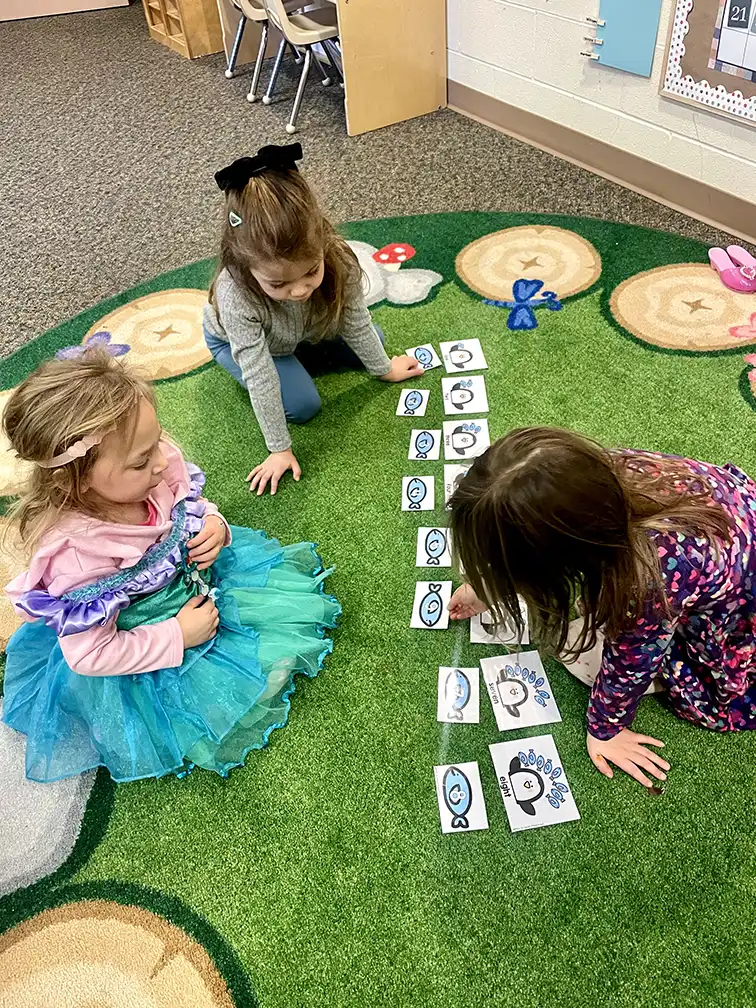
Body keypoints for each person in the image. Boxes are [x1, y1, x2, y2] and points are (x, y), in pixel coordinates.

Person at [1, 349, 340, 783]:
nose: (162, 462)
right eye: (141, 460)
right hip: (146, 641)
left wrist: (216, 526)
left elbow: (191, 507)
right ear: (77, 478)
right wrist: (177, 635)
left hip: (200, 586)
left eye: (157, 441)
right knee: (209, 717)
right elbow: (90, 655)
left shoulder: (156, 469)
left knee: (282, 636)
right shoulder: (77, 556)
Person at [447, 426, 756, 789]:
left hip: (736, 608)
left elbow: (632, 663)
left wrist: (606, 729)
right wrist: (490, 586)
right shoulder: (592, 477)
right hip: (731, 521)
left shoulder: (643, 583)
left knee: (580, 652)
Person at [203, 142, 424, 495]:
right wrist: (279, 448)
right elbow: (259, 373)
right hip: (241, 344)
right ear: (247, 267)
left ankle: (300, 357)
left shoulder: (339, 257)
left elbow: (355, 320)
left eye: (311, 272)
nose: (299, 290)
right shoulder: (235, 293)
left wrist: (384, 369)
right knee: (305, 405)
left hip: (300, 331)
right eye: (278, 283)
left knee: (375, 342)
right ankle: (295, 361)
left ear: (322, 245)